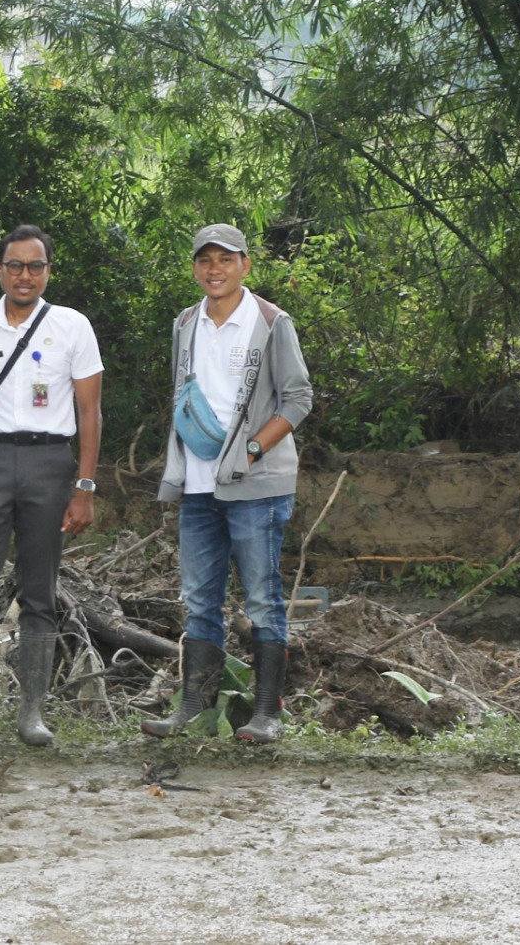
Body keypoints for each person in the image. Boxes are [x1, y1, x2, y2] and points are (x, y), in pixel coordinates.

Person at [0, 224, 105, 746]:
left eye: (35, 266)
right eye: (15, 266)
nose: (24, 276)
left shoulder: (72, 327)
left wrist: (85, 486)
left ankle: (32, 712)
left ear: (48, 272)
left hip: (49, 464)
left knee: (39, 590)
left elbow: (90, 410)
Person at [141, 224, 313, 745]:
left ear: (245, 265)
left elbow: (298, 399)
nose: (214, 269)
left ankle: (266, 715)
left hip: (257, 485)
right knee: (199, 600)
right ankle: (192, 707)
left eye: (226, 259)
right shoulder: (185, 323)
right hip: (197, 485)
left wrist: (253, 449)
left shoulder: (270, 321)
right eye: (205, 260)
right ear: (195, 267)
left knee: (261, 598)